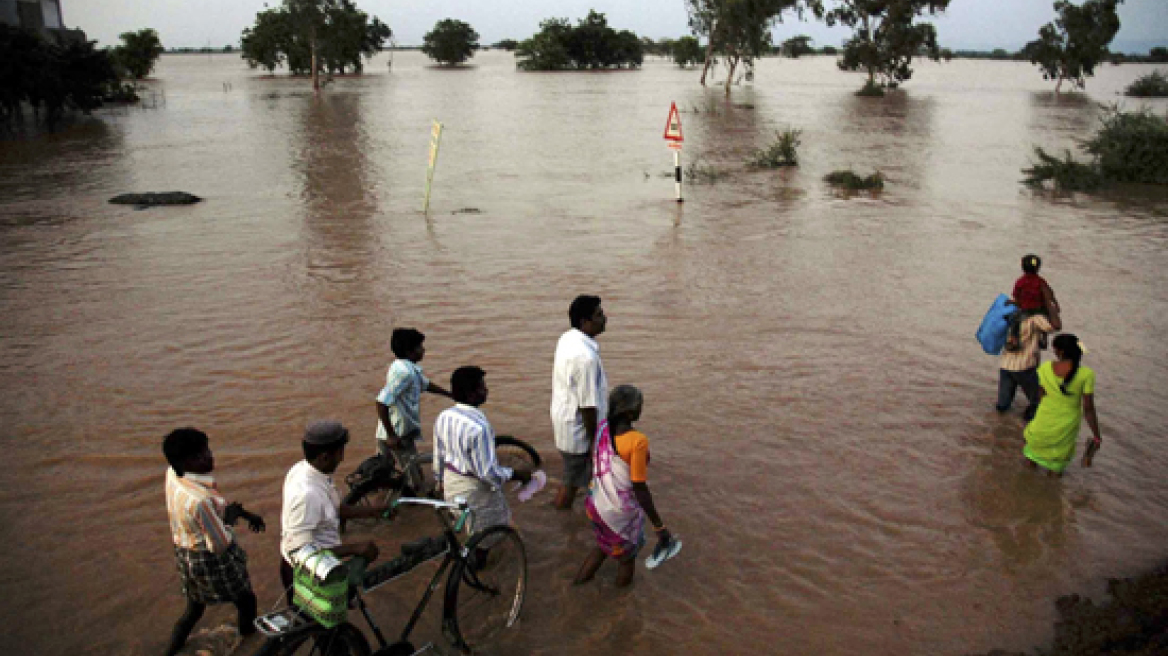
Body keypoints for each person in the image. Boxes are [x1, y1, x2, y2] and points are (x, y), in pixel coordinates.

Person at [162, 428, 265, 656]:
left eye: (206, 450)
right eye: (199, 456)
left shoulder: (172, 474)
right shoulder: (201, 501)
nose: (209, 457)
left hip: (186, 552)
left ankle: (171, 650)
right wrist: (228, 522)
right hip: (209, 557)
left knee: (194, 608)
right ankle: (250, 641)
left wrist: (237, 515)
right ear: (184, 462)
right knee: (246, 599)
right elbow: (219, 545)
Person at [574, 385, 676, 587]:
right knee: (626, 559)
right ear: (629, 412)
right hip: (618, 513)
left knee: (603, 547)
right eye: (640, 405)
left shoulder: (602, 428)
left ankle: (577, 586)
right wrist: (659, 526)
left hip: (596, 505)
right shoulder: (637, 441)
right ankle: (620, 605)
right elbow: (640, 488)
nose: (641, 409)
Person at [280, 421, 391, 598]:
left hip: (324, 564)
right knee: (319, 624)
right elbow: (300, 554)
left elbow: (335, 509)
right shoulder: (307, 495)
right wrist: (355, 548)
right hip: (306, 575)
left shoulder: (308, 470)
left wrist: (372, 511)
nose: (342, 459)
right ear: (324, 457)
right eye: (340, 452)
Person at [434, 366, 532, 536]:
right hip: (474, 494)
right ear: (471, 395)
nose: (486, 390)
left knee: (466, 533)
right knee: (485, 537)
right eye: (482, 387)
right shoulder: (480, 428)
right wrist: (516, 474)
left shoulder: (444, 416)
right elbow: (488, 474)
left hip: (451, 485)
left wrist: (439, 481)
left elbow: (438, 457)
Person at [376, 328, 451, 493]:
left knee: (389, 473)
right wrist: (391, 435)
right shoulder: (405, 373)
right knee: (414, 482)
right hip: (397, 434)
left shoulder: (407, 368)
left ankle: (388, 502)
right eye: (420, 346)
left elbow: (425, 384)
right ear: (410, 351)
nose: (423, 350)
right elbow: (381, 402)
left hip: (396, 431)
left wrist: (449, 394)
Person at [551, 295, 608, 510]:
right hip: (578, 433)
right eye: (599, 315)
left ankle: (565, 516)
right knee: (572, 483)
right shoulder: (585, 357)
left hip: (566, 423)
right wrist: (595, 440)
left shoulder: (567, 339)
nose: (605, 319)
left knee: (573, 479)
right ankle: (561, 520)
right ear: (585, 322)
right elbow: (587, 406)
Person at [1023, 334, 1103, 475]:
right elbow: (1088, 409)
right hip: (1066, 426)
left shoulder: (1045, 368)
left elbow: (1040, 396)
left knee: (1031, 458)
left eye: (1054, 349)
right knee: (1056, 465)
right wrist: (1096, 435)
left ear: (1060, 352)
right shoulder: (1087, 375)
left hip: (1043, 420)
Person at [996, 304, 1061, 420]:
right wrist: (1051, 308)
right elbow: (1055, 326)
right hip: (1025, 365)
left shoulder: (1011, 312)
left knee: (1003, 405)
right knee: (1038, 401)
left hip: (1006, 364)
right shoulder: (1035, 318)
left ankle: (1000, 425)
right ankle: (1027, 428)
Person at [1005, 254, 1060, 352]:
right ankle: (1043, 337)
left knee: (1014, 321)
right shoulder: (1041, 281)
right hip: (1040, 310)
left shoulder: (1020, 282)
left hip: (1026, 311)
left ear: (1022, 267)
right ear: (1038, 268)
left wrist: (1012, 302)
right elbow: (1049, 295)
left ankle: (1014, 340)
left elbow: (1017, 298)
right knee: (1046, 317)